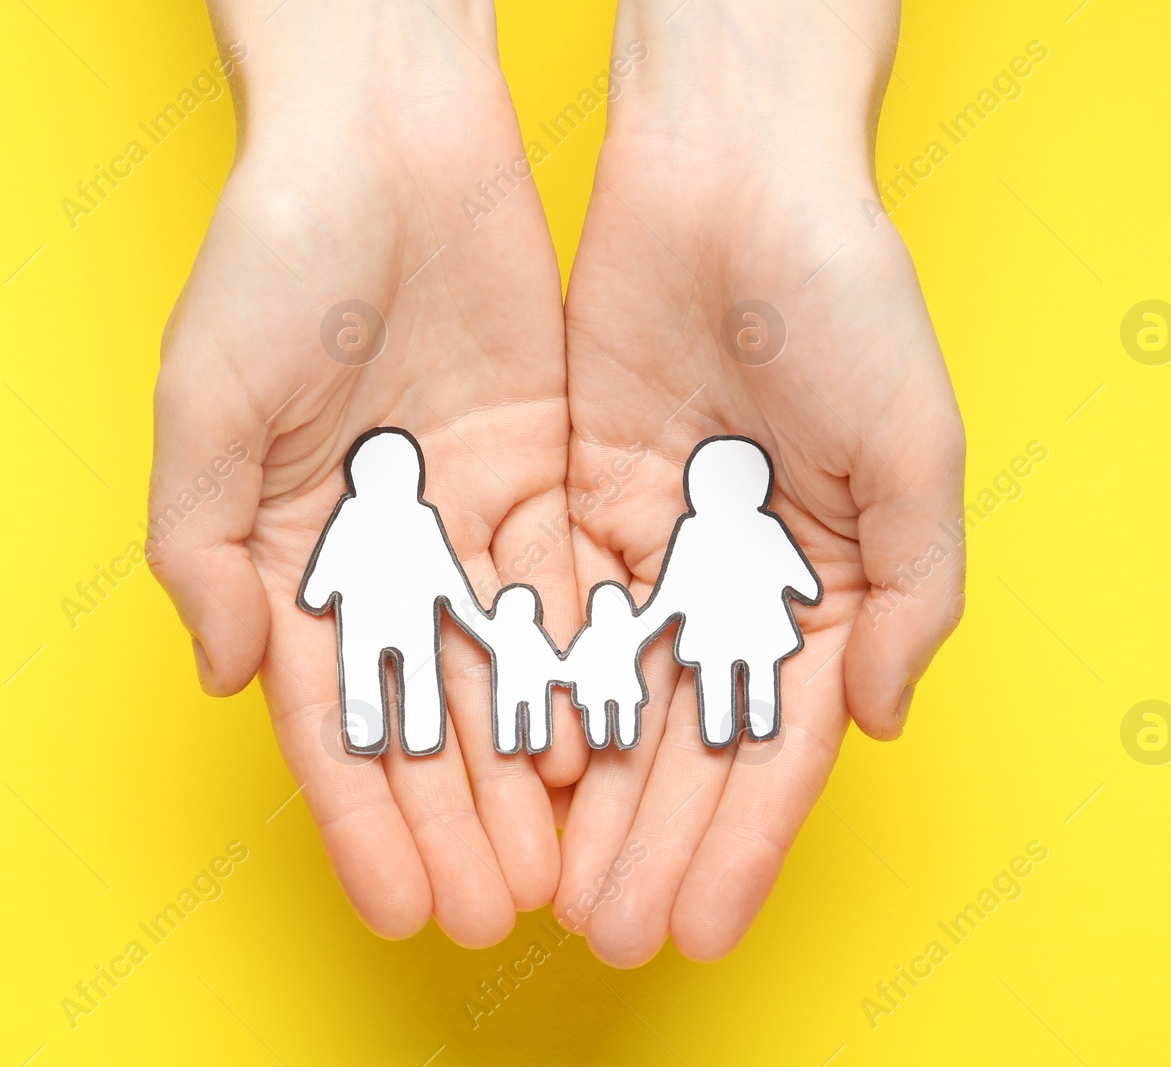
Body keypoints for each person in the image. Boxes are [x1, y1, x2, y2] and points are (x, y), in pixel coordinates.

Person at [148, 0, 966, 962]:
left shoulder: (658, 530)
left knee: (411, 682)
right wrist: (358, 92)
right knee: (395, 688)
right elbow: (439, 583)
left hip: (538, 623)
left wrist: (756, 109)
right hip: (422, 617)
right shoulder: (412, 523)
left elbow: (635, 590)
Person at [298, 428, 485, 756]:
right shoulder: (420, 516)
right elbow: (447, 572)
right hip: (411, 619)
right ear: (413, 474)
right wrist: (469, 610)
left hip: (361, 619)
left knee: (361, 671)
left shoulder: (352, 514)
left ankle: (366, 735)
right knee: (420, 673)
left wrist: (316, 594)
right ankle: (423, 735)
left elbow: (328, 561)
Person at [640, 437, 821, 747]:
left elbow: (672, 588)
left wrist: (645, 621)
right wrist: (806, 587)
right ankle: (759, 725)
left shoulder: (694, 531)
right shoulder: (764, 526)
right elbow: (804, 583)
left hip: (711, 630)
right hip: (760, 625)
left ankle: (719, 731)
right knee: (758, 669)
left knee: (716, 674)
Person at [473, 584, 565, 755]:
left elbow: (475, 626)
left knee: (509, 714)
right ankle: (535, 741)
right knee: (534, 713)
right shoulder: (531, 632)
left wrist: (455, 603)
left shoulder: (499, 631)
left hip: (512, 688)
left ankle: (511, 742)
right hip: (533, 687)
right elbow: (551, 659)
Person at [563, 581, 656, 750]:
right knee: (624, 713)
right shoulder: (631, 629)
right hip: (623, 687)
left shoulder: (590, 634)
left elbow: (573, 660)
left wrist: (562, 673)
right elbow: (654, 623)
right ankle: (622, 738)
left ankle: (602, 739)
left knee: (599, 713)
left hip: (595, 690)